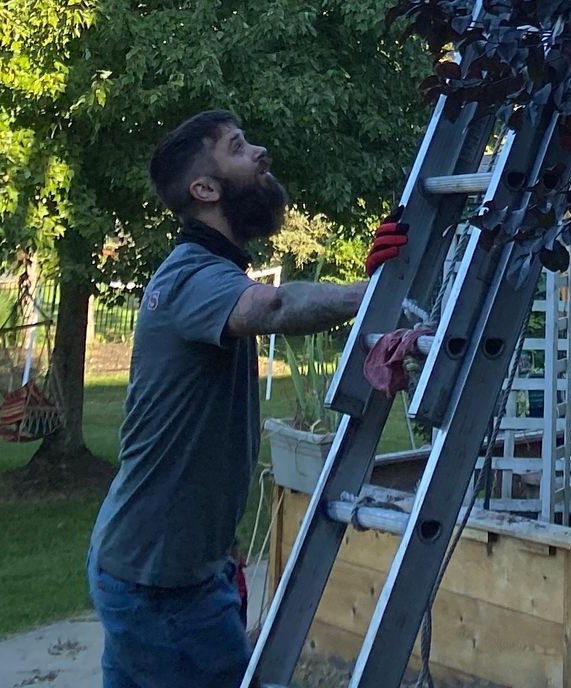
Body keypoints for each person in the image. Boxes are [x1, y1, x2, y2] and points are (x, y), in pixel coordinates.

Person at [86, 110, 404, 688]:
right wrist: (372, 292)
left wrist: (221, 546)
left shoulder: (207, 273)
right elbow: (274, 310)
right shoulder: (190, 276)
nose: (260, 152)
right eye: (238, 147)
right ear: (204, 190)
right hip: (161, 585)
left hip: (157, 567)